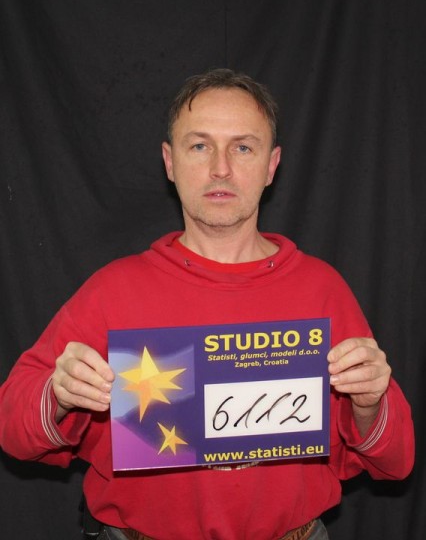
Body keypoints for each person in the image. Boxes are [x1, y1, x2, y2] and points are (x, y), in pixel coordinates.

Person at [0, 69, 414, 540]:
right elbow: (12, 429)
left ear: (272, 165)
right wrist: (58, 394)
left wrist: (369, 403)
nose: (221, 168)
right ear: (170, 161)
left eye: (243, 147)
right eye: (199, 146)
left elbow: (397, 461)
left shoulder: (323, 290)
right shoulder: (112, 292)